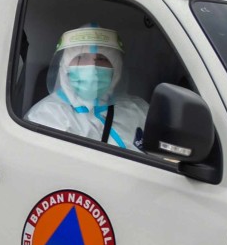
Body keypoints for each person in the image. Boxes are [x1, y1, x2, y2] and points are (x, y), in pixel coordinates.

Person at [25, 24, 148, 152]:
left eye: (101, 58)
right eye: (81, 58)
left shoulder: (138, 109)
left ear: (116, 68)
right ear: (65, 67)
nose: (92, 68)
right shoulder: (47, 116)